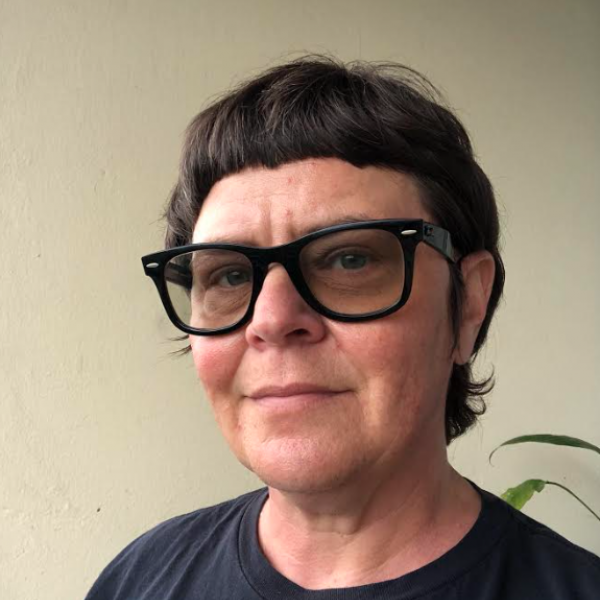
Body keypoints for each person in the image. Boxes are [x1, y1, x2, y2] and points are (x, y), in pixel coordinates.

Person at [85, 56, 600, 599]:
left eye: (349, 260)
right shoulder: (137, 581)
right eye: (230, 274)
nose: (273, 320)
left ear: (469, 302)